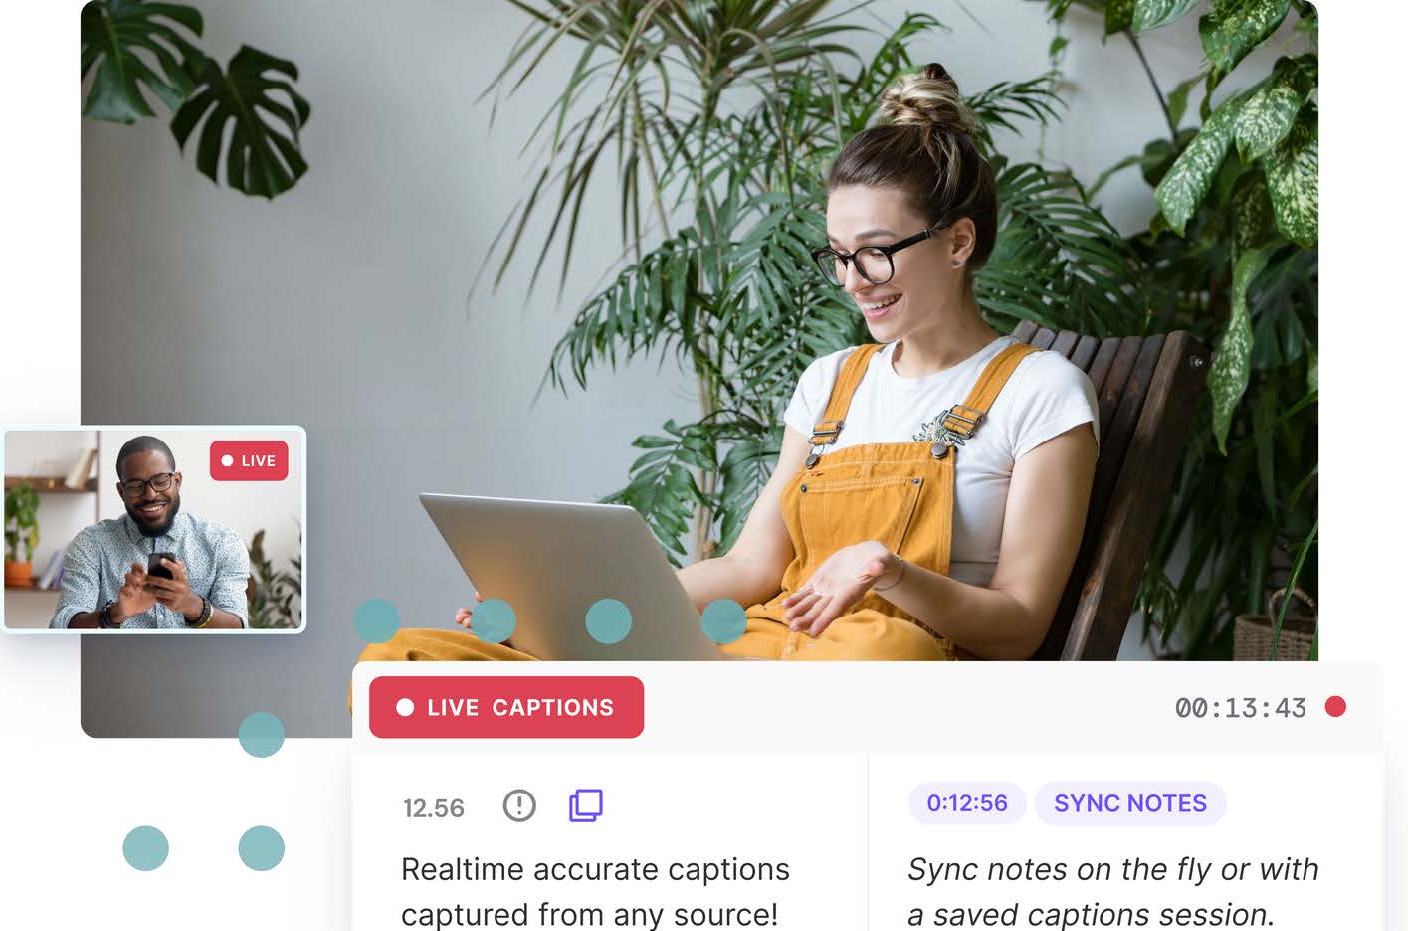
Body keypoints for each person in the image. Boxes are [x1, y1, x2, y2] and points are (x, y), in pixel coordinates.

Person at [362, 62, 1097, 664]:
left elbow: (1021, 625)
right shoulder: (830, 384)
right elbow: (750, 570)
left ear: (958, 242)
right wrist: (566, 613)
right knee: (402, 661)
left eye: (874, 252)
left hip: (882, 668)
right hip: (771, 653)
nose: (851, 280)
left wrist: (891, 576)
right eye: (838, 257)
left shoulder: (1040, 392)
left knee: (877, 655)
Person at [51, 436, 250, 629]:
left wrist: (191, 604)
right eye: (136, 486)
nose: (150, 494)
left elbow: (238, 628)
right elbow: (62, 627)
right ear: (121, 492)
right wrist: (114, 614)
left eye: (161, 480)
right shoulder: (92, 544)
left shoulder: (222, 542)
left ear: (177, 481)